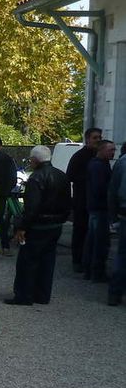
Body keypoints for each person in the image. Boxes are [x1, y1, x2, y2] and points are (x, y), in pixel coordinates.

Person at [5, 146, 71, 306]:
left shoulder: (36, 178)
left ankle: (24, 295)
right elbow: (68, 201)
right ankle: (42, 295)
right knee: (47, 261)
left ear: (35, 160)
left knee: (27, 261)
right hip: (55, 224)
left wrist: (22, 227)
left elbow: (31, 207)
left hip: (38, 226)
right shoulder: (61, 175)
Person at [66, 127, 102, 271]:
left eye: (99, 137)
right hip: (82, 200)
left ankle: (89, 260)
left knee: (92, 233)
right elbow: (69, 176)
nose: (98, 140)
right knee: (80, 230)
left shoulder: (99, 157)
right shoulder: (79, 156)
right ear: (87, 139)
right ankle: (78, 260)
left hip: (95, 200)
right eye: (95, 138)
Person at [82, 139, 115, 282]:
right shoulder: (98, 166)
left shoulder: (100, 164)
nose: (113, 152)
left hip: (96, 207)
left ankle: (90, 270)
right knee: (99, 241)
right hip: (99, 208)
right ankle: (96, 272)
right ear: (101, 150)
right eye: (110, 150)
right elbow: (100, 188)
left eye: (114, 150)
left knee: (93, 240)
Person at [108, 146, 126, 306]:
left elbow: (112, 192)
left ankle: (115, 293)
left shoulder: (121, 162)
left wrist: (113, 217)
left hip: (124, 213)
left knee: (122, 255)